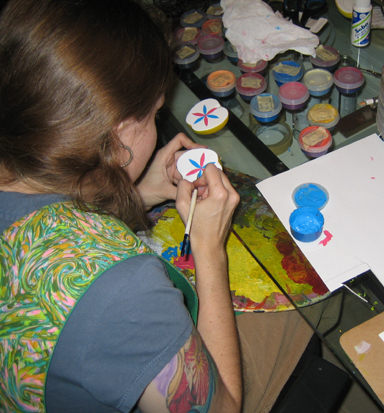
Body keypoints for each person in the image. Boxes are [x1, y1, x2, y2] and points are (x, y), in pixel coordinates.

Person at [0, 0, 243, 411]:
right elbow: (222, 409)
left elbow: (49, 231)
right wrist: (208, 248)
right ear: (115, 137)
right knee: (284, 327)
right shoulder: (123, 290)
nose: (158, 125)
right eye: (153, 115)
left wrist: (139, 190)